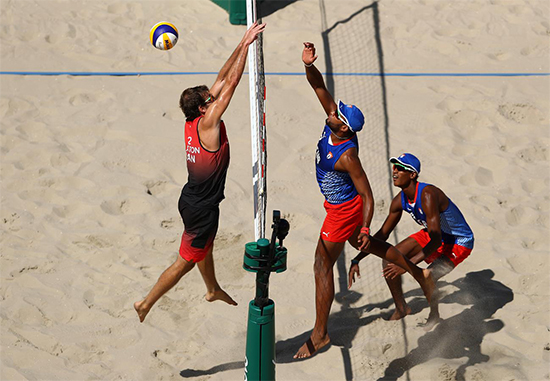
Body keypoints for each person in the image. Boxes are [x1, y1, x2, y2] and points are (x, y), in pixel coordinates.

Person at [294, 43, 435, 359]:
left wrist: (367, 224)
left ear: (342, 127)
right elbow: (318, 85)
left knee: (321, 265)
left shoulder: (348, 156)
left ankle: (320, 335)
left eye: (336, 113)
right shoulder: (334, 123)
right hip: (338, 207)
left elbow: (368, 195)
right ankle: (417, 276)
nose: (331, 111)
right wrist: (307, 65)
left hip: (344, 210)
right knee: (368, 246)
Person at [134, 22, 266, 323]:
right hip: (201, 208)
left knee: (203, 245)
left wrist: (243, 41)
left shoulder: (193, 120)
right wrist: (246, 49)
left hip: (193, 200)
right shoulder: (209, 124)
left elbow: (221, 78)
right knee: (185, 262)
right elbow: (230, 85)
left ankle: (212, 288)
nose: (215, 97)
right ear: (205, 109)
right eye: (211, 99)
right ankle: (146, 303)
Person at [348, 153, 474, 330]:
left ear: (412, 175)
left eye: (400, 168)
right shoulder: (400, 200)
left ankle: (434, 315)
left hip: (458, 241)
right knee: (388, 257)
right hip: (433, 235)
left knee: (427, 276)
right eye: (394, 167)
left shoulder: (428, 195)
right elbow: (382, 236)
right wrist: (357, 258)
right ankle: (401, 308)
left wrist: (406, 264)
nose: (395, 171)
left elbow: (436, 240)